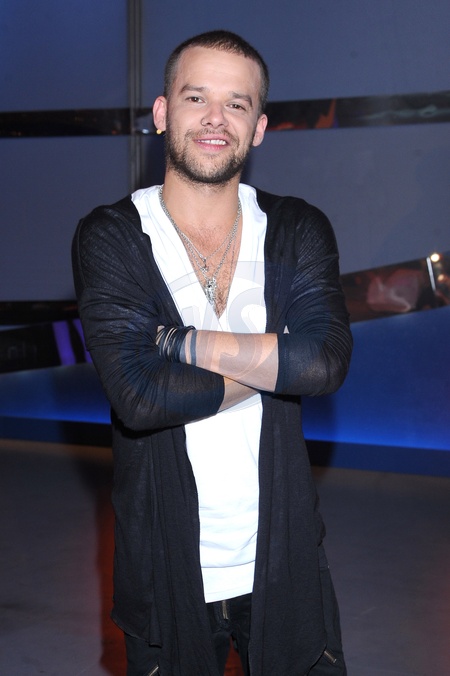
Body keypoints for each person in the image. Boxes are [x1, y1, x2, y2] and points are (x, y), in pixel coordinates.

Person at [72, 30, 352, 676]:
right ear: (162, 112)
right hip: (165, 570)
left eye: (237, 103)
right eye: (196, 97)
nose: (215, 119)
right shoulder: (113, 237)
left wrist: (179, 343)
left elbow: (326, 363)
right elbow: (141, 396)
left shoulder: (295, 230)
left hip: (285, 563)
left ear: (259, 128)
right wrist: (280, 361)